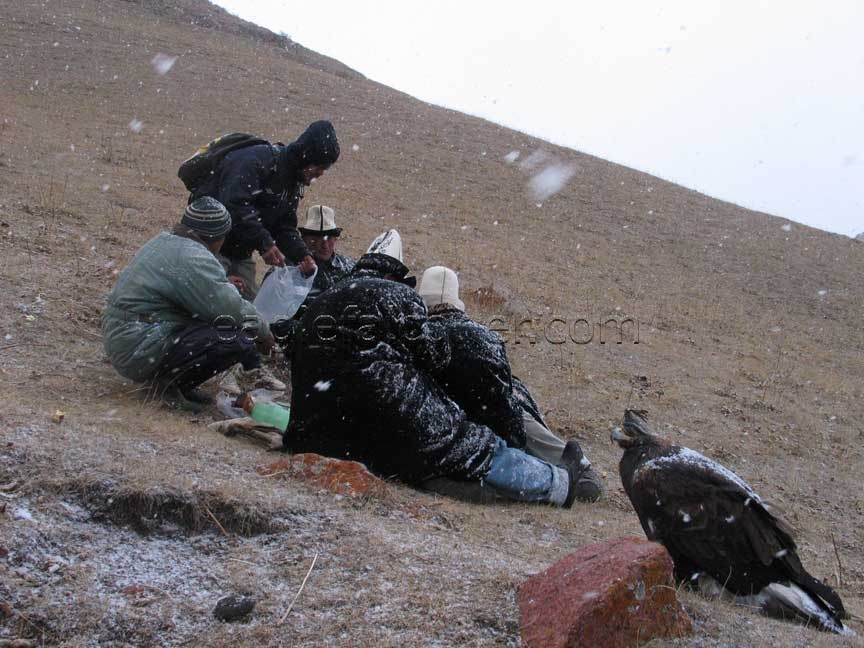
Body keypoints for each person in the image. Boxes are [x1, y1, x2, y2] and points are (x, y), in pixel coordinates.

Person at [284, 231, 591, 507]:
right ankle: (559, 484)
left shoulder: (322, 300)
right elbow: (436, 357)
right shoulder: (398, 297)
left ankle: (451, 478)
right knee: (477, 445)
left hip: (318, 433)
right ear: (395, 277)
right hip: (391, 424)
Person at [418, 265, 603, 502]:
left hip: (448, 427)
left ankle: (547, 479)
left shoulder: (418, 335)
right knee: (519, 408)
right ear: (456, 300)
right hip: (497, 417)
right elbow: (504, 392)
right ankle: (575, 469)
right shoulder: (485, 337)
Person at [102, 197, 282, 412]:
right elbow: (231, 309)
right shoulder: (193, 257)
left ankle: (177, 384)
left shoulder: (166, 242)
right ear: (217, 236)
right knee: (236, 337)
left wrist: (224, 284)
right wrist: (263, 333)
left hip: (129, 335)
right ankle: (166, 387)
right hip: (139, 345)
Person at [191, 120, 340, 299]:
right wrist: (264, 243)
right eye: (320, 166)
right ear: (306, 157)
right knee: (211, 303)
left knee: (249, 315)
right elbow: (234, 205)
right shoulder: (257, 159)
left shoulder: (292, 182)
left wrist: (302, 255)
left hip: (239, 253)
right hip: (208, 245)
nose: (321, 173)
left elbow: (284, 225)